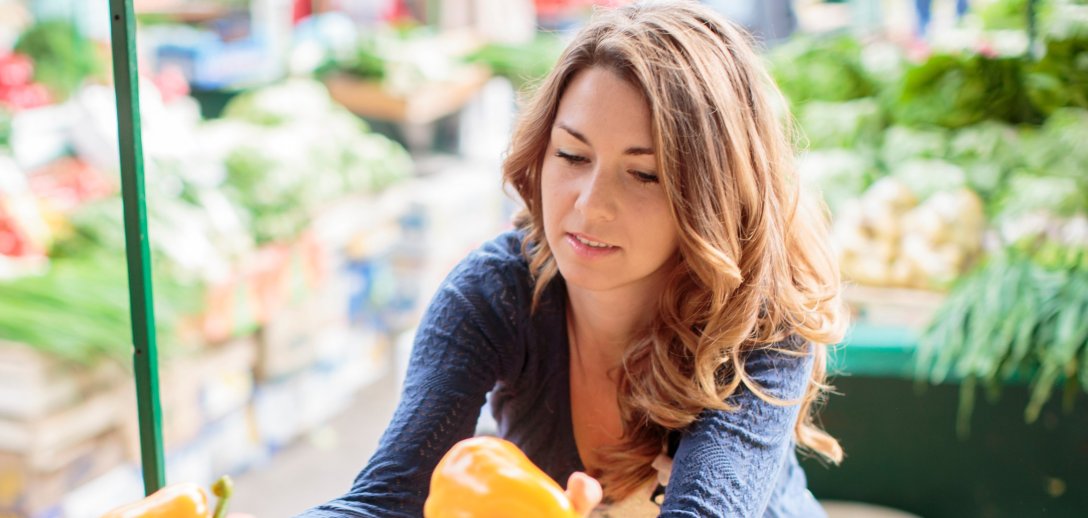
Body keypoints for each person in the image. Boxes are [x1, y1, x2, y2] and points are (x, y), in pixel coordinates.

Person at [297, 1, 848, 516]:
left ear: (714, 194)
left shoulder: (761, 320)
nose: (589, 207)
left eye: (644, 174)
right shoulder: (497, 292)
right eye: (572, 155)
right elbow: (386, 499)